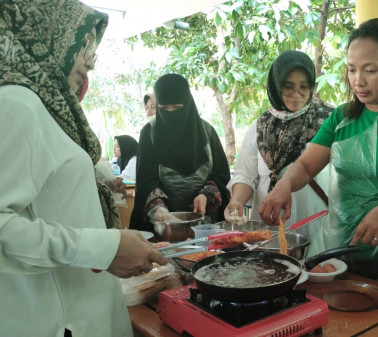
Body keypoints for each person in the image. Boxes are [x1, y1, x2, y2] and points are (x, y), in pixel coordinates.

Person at [0, 1, 167, 336]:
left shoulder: (48, 107)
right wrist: (105, 248)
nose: (91, 58)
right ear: (47, 34)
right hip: (57, 320)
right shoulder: (18, 103)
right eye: (84, 43)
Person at [259, 18, 378, 301]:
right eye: (351, 69)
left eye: (370, 70)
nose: (358, 80)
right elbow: (306, 165)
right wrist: (285, 184)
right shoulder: (342, 117)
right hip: (352, 252)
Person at [224, 50, 333, 227]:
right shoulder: (261, 126)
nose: (297, 94)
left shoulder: (329, 121)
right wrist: (237, 201)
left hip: (316, 221)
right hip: (268, 223)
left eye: (303, 86)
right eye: (288, 87)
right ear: (275, 85)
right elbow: (246, 175)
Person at [130, 73, 231, 231]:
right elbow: (146, 180)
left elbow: (221, 173)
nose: (171, 114)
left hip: (205, 224)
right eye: (164, 109)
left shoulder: (206, 132)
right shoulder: (149, 133)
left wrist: (206, 194)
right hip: (162, 227)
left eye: (177, 108)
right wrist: (160, 212)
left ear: (188, 103)